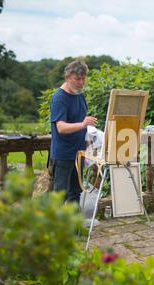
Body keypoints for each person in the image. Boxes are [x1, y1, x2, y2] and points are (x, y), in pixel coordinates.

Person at [50, 60, 97, 204]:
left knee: (75, 194)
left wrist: (88, 141)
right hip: (63, 156)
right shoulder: (59, 98)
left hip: (79, 154)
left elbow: (80, 123)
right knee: (60, 197)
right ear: (68, 77)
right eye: (78, 79)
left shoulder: (79, 95)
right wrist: (83, 124)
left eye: (83, 79)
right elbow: (61, 128)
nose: (81, 82)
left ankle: (73, 227)